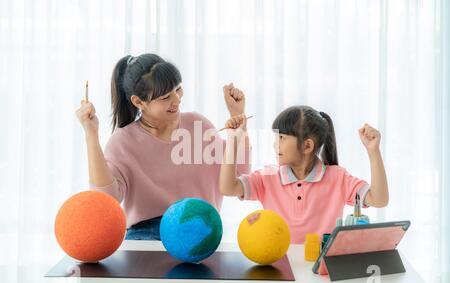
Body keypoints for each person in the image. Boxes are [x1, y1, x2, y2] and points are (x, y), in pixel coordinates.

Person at [75, 53, 250, 240]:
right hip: (147, 233)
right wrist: (91, 134)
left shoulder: (198, 125)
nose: (177, 100)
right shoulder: (123, 141)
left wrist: (238, 118)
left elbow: (240, 175)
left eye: (178, 89)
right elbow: (106, 200)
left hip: (199, 230)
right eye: (166, 97)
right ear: (139, 102)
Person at [219, 105, 389, 243]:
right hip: (280, 266)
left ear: (307, 146)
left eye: (282, 138)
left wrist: (373, 151)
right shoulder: (268, 177)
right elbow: (228, 188)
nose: (275, 145)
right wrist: (234, 139)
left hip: (320, 272)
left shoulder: (338, 178)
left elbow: (379, 199)